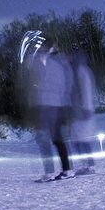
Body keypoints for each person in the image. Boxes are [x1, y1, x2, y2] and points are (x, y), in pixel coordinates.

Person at [27, 42, 74, 182]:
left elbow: (39, 79)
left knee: (44, 139)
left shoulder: (45, 64)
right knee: (57, 139)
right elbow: (64, 85)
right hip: (57, 105)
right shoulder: (60, 65)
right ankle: (67, 170)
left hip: (47, 105)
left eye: (41, 49)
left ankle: (49, 173)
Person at [68, 49, 97, 176]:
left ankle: (89, 166)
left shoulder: (81, 70)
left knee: (82, 139)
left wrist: (86, 107)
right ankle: (85, 164)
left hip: (83, 110)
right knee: (77, 139)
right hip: (77, 110)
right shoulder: (74, 70)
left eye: (71, 55)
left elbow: (86, 90)